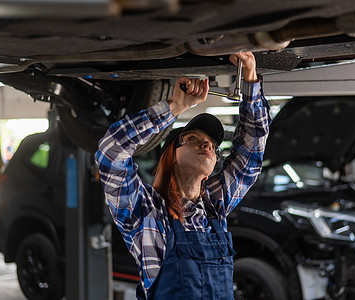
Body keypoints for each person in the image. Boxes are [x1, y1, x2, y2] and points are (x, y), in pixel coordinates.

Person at [95, 51, 270, 299]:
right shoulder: (147, 214)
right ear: (171, 155)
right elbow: (110, 152)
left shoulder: (214, 209)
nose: (208, 146)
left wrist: (250, 77)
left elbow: (250, 157)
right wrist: (175, 107)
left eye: (212, 144)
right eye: (193, 139)